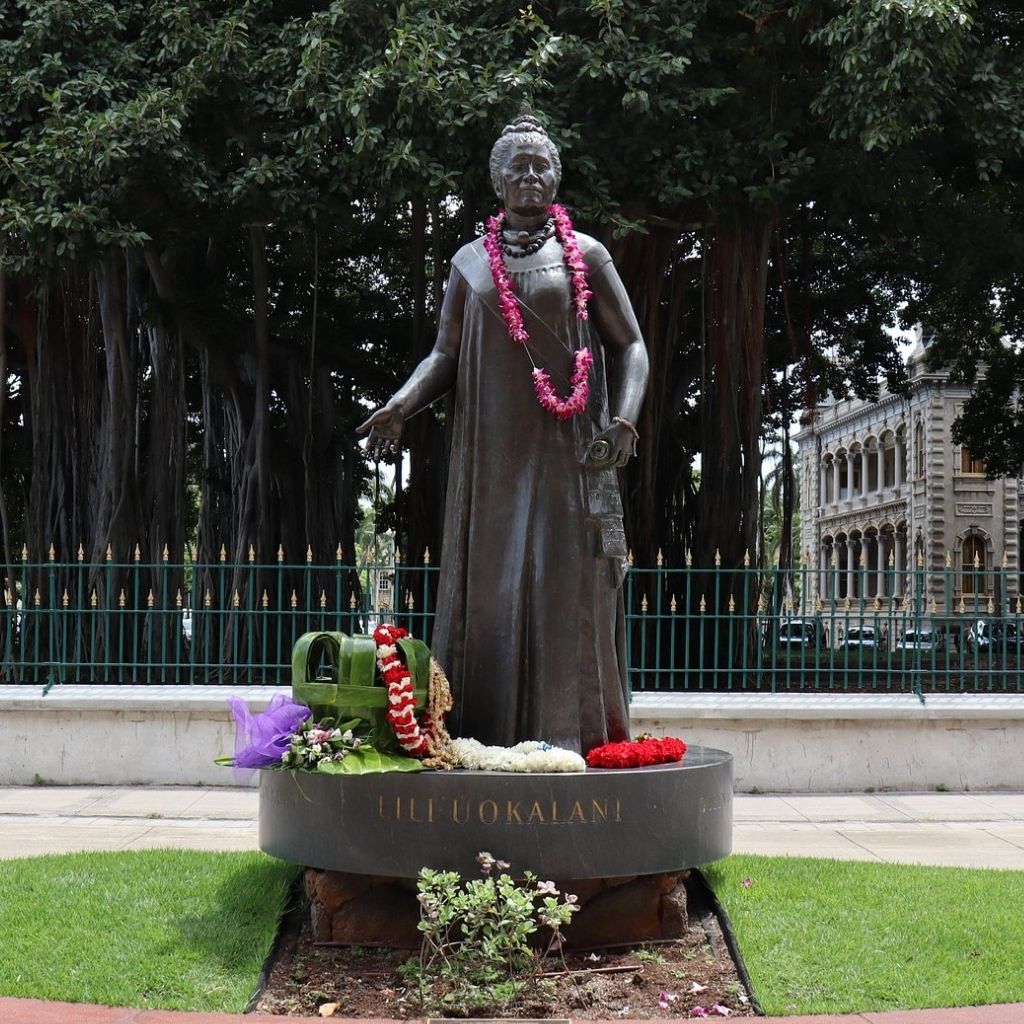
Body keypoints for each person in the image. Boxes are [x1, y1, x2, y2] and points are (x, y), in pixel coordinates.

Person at [358, 113, 648, 754]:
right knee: (490, 589)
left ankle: (575, 732)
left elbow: (630, 345)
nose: (529, 176)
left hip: (571, 450)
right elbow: (444, 356)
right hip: (492, 456)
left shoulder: (587, 256)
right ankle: (479, 734)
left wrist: (625, 419)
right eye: (516, 166)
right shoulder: (470, 264)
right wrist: (400, 405)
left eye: (540, 165)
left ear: (556, 176)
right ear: (496, 180)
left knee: (566, 586)